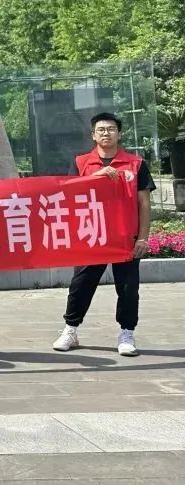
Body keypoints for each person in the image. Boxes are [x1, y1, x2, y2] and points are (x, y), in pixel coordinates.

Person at [53, 112, 154, 357]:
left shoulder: (136, 164)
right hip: (92, 235)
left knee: (128, 288)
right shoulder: (81, 163)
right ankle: (70, 329)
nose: (106, 133)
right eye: (101, 129)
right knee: (81, 284)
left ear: (119, 134)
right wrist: (94, 177)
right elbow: (67, 192)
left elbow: (144, 203)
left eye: (111, 129)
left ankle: (126, 333)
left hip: (125, 237)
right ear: (93, 135)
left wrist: (142, 237)